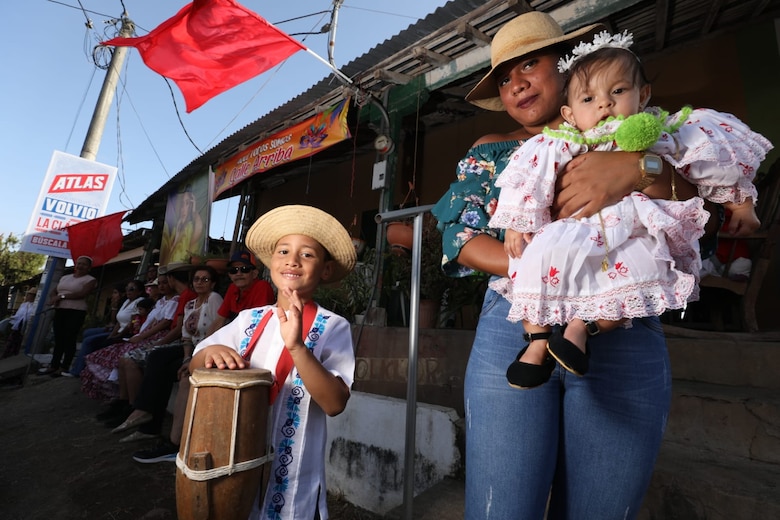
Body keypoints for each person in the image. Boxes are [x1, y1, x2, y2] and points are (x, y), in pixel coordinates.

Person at [430, 11, 723, 519]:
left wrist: (634, 167)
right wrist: (548, 280)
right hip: (516, 325)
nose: (516, 82)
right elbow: (459, 235)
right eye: (504, 77)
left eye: (530, 64)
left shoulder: (638, 132)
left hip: (623, 324)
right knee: (503, 510)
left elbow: (703, 215)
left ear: (568, 67)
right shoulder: (491, 151)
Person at [487, 30, 771, 388]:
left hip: (631, 227)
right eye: (590, 98)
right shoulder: (556, 144)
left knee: (642, 266)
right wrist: (517, 224)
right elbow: (528, 181)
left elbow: (709, 164)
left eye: (618, 91)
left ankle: (580, 329)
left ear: (644, 94)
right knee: (536, 261)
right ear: (570, 111)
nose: (605, 104)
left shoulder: (664, 131)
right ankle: (537, 344)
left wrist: (740, 204)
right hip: (573, 232)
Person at [189, 205, 356, 520]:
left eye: (307, 254)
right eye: (283, 251)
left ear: (326, 270)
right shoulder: (250, 319)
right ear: (271, 264)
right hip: (236, 457)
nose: (293, 259)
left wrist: (297, 347)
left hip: (295, 471)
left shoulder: (333, 326)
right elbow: (196, 363)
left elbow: (334, 404)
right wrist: (208, 354)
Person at [132, 251, 275, 463]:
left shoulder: (261, 287)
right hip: (233, 347)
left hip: (252, 350)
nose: (238, 274)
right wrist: (201, 351)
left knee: (188, 379)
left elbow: (256, 328)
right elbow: (218, 323)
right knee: (173, 367)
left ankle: (175, 444)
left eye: (244, 269)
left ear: (255, 273)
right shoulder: (233, 290)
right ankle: (153, 423)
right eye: (234, 270)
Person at [114, 265, 222, 444]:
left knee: (171, 369)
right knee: (157, 357)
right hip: (191, 348)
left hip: (208, 348)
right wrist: (188, 357)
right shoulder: (190, 304)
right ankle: (144, 415)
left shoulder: (214, 299)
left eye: (205, 279)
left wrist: (194, 359)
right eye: (196, 279)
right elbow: (186, 337)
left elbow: (216, 331)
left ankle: (155, 427)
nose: (200, 283)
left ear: (213, 284)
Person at [81, 273, 179, 403]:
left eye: (164, 283)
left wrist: (140, 336)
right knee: (112, 351)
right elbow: (150, 322)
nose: (161, 286)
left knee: (124, 356)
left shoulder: (174, 300)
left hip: (154, 337)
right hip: (142, 335)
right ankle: (121, 399)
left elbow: (164, 323)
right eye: (158, 284)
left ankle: (131, 403)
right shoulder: (160, 302)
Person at [38, 256, 97, 376]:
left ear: (89, 268)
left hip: (76, 311)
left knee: (69, 338)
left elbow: (81, 294)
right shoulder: (65, 277)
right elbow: (54, 291)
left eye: (84, 264)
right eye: (78, 263)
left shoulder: (90, 280)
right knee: (59, 338)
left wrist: (61, 297)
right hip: (61, 310)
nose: (80, 266)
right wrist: (54, 298)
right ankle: (54, 365)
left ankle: (65, 366)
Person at [67, 282, 137, 378]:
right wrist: (114, 306)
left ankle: (78, 370)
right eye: (128, 289)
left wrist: (114, 335)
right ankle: (84, 361)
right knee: (87, 333)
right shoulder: (126, 302)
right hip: (115, 328)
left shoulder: (137, 303)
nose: (129, 291)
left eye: (115, 292)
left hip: (122, 332)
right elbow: (115, 321)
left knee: (89, 341)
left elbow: (129, 323)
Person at [1, 288, 37, 359]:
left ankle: (14, 353)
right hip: (18, 324)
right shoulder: (24, 305)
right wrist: (12, 318)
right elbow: (19, 314)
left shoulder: (35, 306)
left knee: (19, 340)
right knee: (12, 339)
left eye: (30, 295)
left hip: (26, 324)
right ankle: (7, 354)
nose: (28, 296)